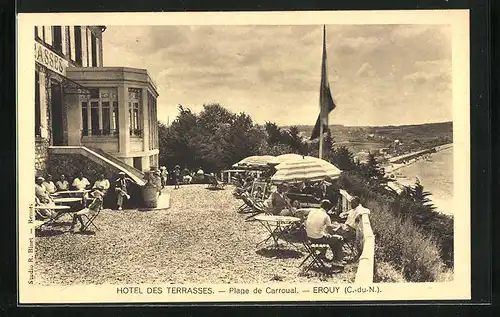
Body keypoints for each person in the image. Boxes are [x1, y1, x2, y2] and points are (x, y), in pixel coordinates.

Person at [305, 199, 345, 264]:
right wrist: (337, 229)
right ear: (328, 209)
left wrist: (325, 233)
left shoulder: (312, 211)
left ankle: (323, 255)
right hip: (317, 239)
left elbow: (313, 224)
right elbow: (330, 232)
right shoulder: (326, 216)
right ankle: (338, 259)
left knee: (330, 238)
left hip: (308, 237)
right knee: (338, 239)